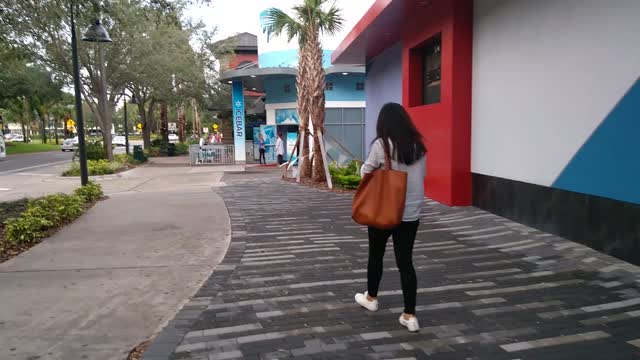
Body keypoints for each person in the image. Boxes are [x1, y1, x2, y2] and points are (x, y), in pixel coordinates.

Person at [354, 102, 427, 332]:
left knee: (376, 254)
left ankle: (372, 298)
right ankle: (410, 315)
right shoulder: (419, 146)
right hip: (411, 212)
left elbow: (366, 172)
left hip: (385, 210)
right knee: (405, 262)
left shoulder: (382, 144)